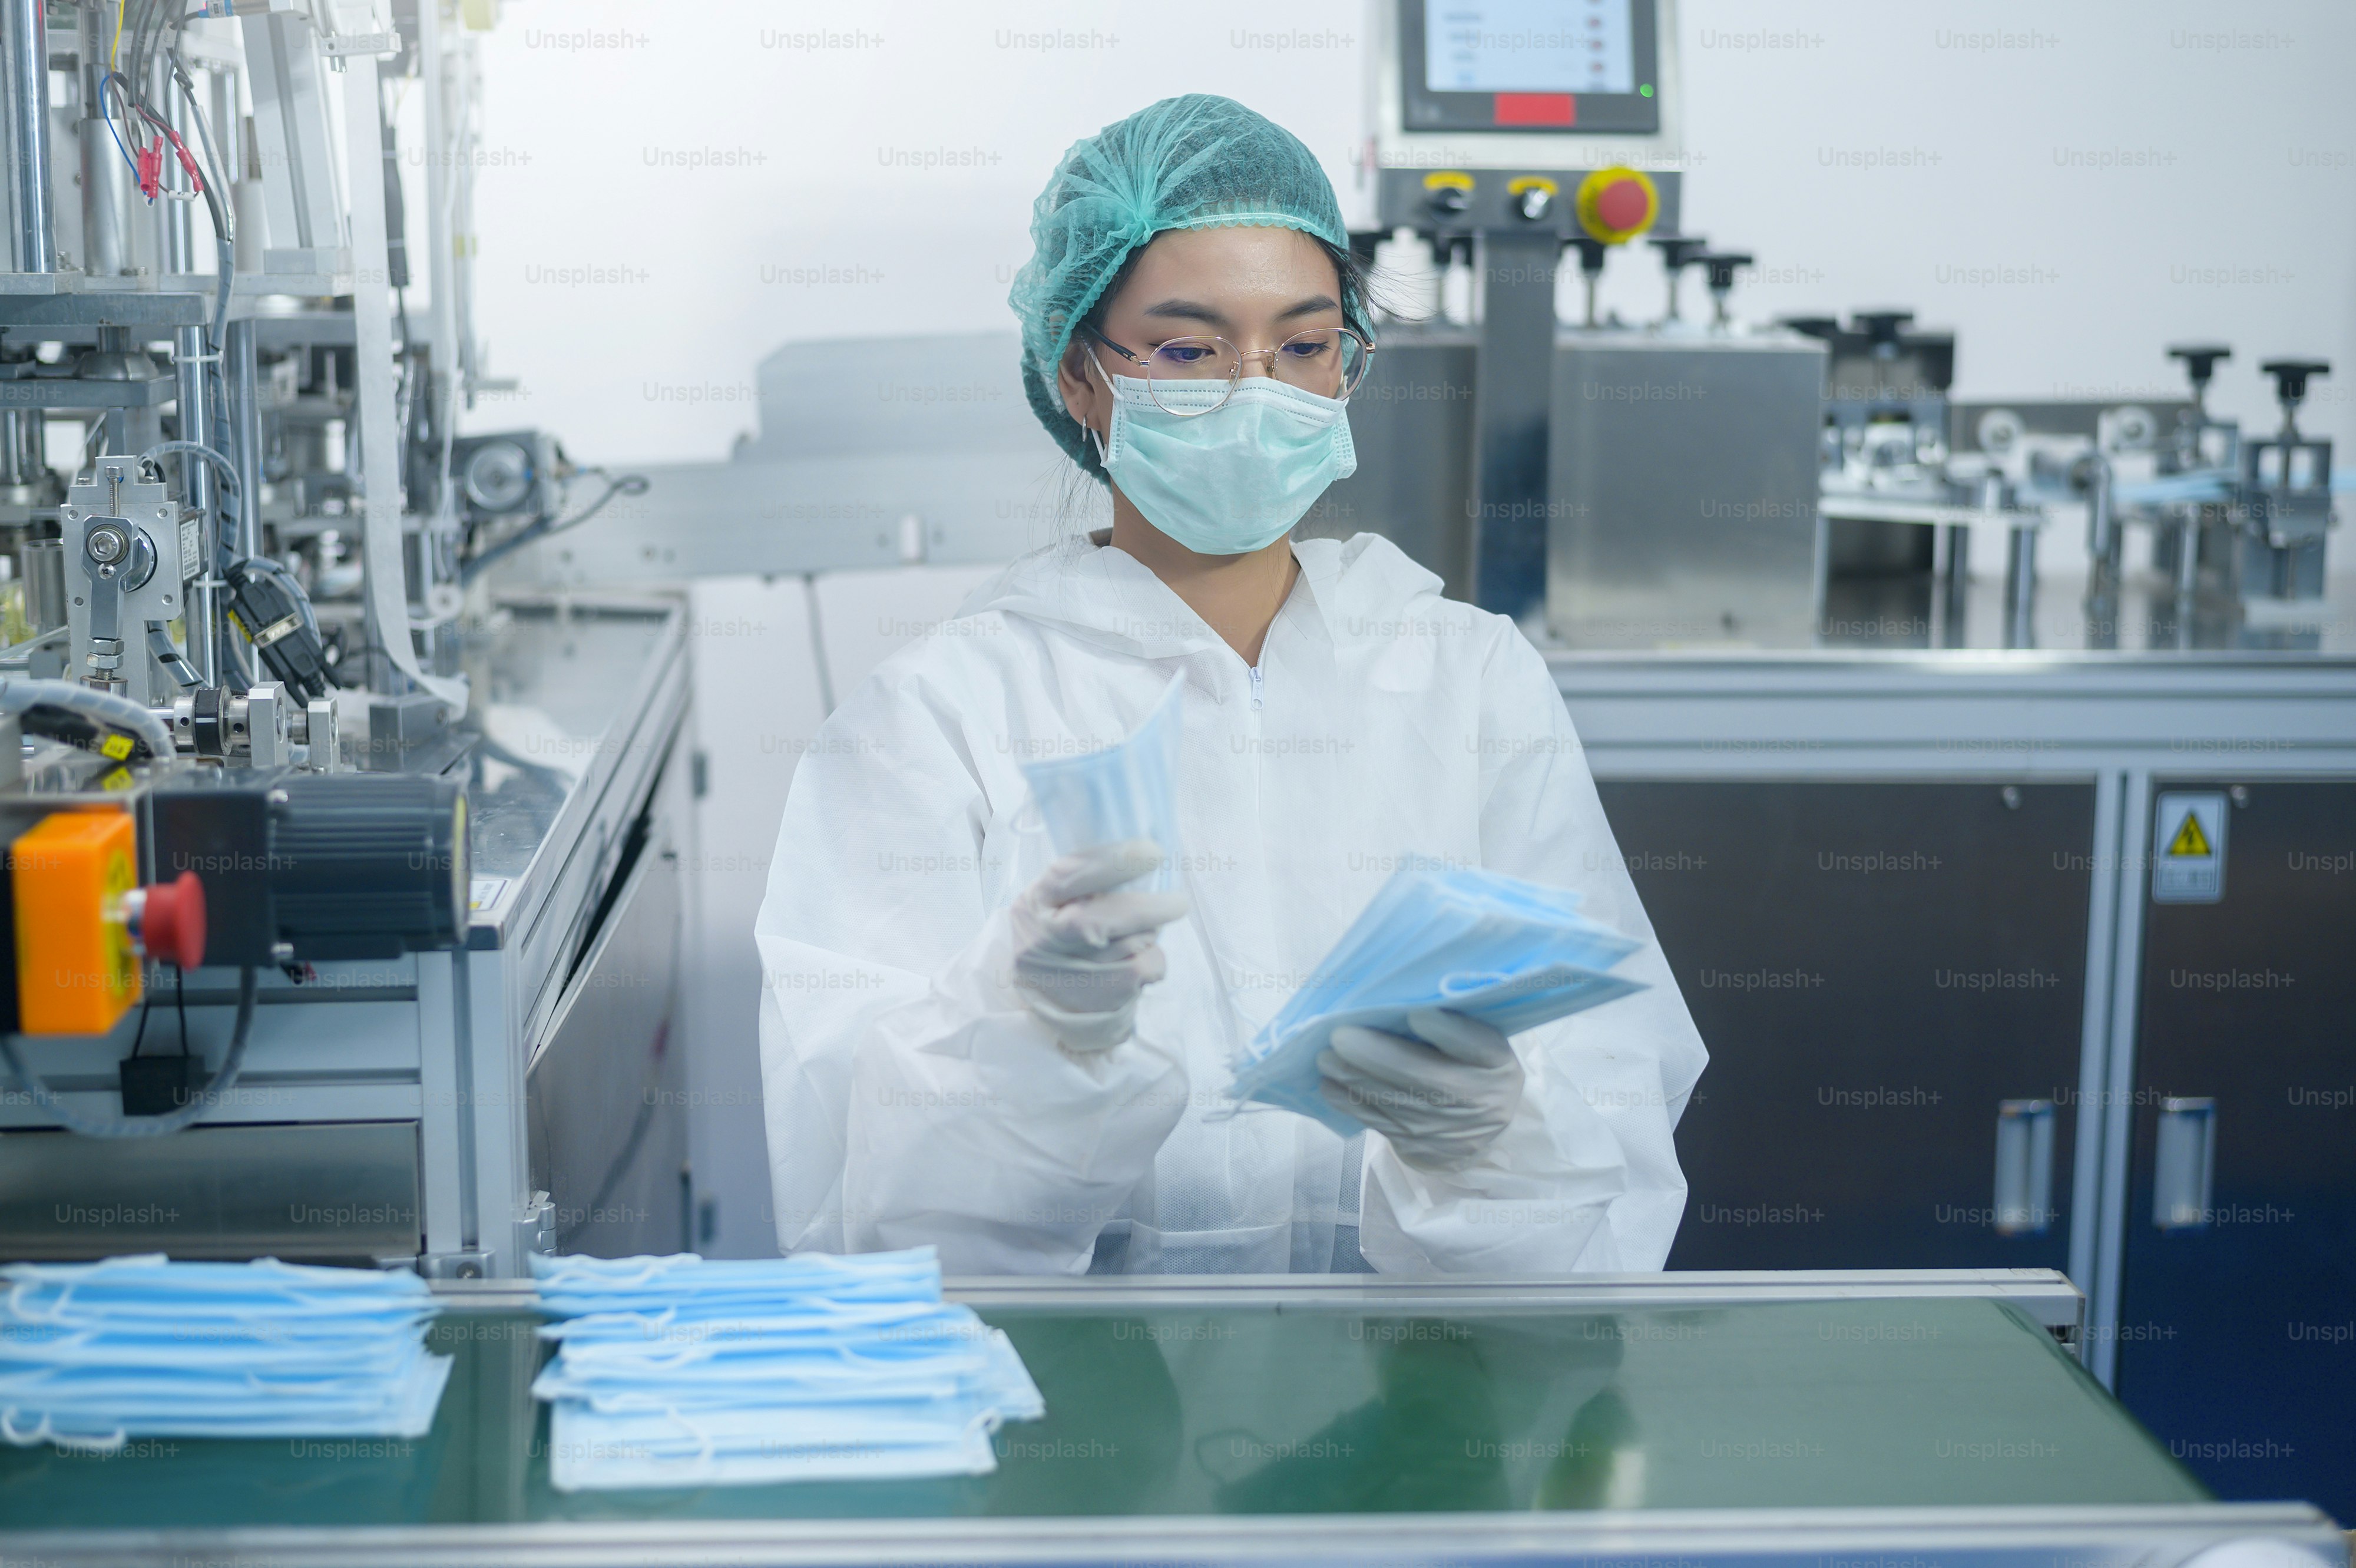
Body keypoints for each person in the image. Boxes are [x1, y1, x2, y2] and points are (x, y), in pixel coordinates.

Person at [757, 94, 1706, 1275]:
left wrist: (1489, 1129)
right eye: (1188, 347)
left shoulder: (1465, 679)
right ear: (1078, 376)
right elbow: (864, 1218)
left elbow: (1611, 1132)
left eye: (1302, 345)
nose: (1257, 390)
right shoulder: (940, 718)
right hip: (1082, 1428)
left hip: (1421, 1417)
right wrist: (1025, 1046)